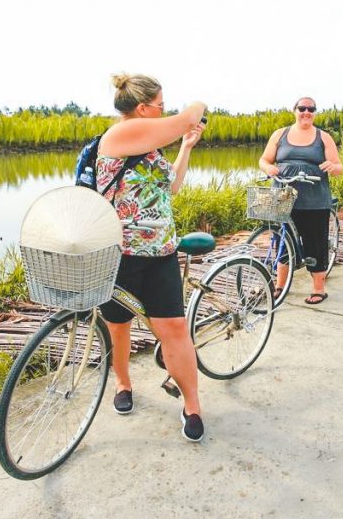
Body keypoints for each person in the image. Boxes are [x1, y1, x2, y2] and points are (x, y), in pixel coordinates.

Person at [97, 73, 208, 441]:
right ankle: (123, 385)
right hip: (122, 254)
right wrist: (196, 108)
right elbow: (186, 118)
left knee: (174, 329)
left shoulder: (150, 146)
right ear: (143, 108)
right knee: (119, 327)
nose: (164, 110)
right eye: (160, 104)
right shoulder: (120, 135)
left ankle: (192, 404)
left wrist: (186, 147)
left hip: (160, 251)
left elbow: (172, 186)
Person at [258, 97, 343, 305]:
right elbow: (264, 159)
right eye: (302, 108)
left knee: (316, 242)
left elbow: (339, 166)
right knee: (280, 240)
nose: (306, 112)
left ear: (315, 112)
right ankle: (280, 285)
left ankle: (318, 289)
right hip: (283, 194)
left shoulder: (323, 137)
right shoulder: (280, 134)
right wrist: (268, 168)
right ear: (294, 110)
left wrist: (332, 166)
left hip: (314, 199)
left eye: (311, 109)